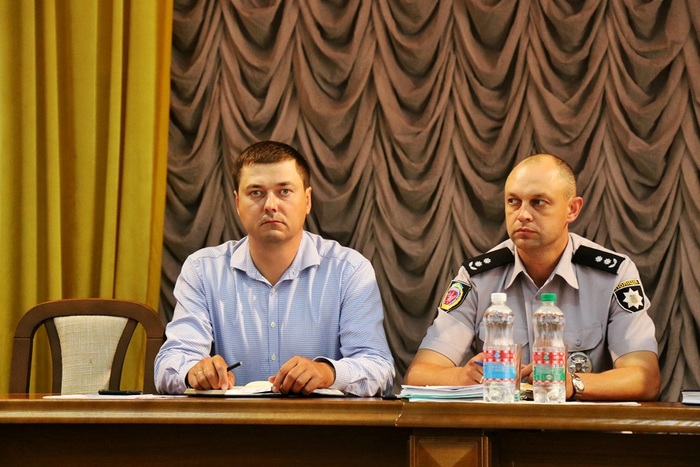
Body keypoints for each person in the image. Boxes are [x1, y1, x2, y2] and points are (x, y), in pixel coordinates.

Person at [405, 154, 661, 401]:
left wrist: (572, 384)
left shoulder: (613, 275)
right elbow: (419, 374)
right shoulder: (478, 277)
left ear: (572, 210)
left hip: (580, 426)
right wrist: (463, 376)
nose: (523, 214)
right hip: (500, 426)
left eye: (538, 202)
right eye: (513, 202)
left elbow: (645, 378)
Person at [155, 141, 394, 396]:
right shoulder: (203, 271)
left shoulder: (349, 271)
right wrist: (194, 372)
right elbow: (169, 364)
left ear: (307, 200)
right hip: (231, 420)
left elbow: (378, 367)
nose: (270, 205)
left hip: (322, 420)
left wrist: (328, 373)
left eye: (284, 191)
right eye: (256, 193)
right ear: (237, 203)